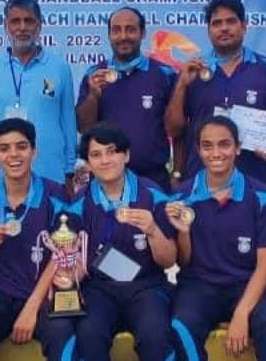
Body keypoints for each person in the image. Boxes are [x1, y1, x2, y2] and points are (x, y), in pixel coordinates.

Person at [167, 116, 266, 361]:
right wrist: (183, 231)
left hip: (249, 284)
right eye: (207, 146)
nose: (216, 153)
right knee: (180, 328)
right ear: (199, 150)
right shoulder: (182, 196)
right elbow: (183, 262)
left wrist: (242, 314)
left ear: (238, 148)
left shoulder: (263, 197)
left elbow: (265, 265)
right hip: (198, 285)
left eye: (224, 144)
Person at [0, 118, 79, 361]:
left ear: (34, 152)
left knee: (63, 335)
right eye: (4, 149)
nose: (13, 155)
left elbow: (63, 254)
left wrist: (31, 308)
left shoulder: (56, 195)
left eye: (21, 147)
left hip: (46, 292)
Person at [73, 123, 178, 361]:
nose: (105, 160)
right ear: (88, 164)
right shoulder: (79, 203)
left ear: (127, 155)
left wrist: (152, 230)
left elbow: (169, 260)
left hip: (146, 286)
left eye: (112, 151)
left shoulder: (153, 195)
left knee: (155, 335)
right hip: (99, 287)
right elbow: (72, 257)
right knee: (89, 334)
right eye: (96, 155)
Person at [165, 0, 266, 187]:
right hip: (200, 179)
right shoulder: (193, 70)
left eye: (231, 21)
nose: (224, 28)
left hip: (252, 178)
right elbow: (174, 130)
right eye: (217, 23)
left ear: (244, 26)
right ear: (209, 30)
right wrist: (182, 85)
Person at [0, 0, 77, 186]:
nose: (22, 28)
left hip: (50, 174)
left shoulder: (59, 67)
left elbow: (68, 121)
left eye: (28, 21)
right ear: (6, 26)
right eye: (15, 21)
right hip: (0, 176)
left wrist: (69, 170)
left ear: (39, 26)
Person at [76, 7, 177, 189]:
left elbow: (178, 129)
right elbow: (84, 127)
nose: (123, 36)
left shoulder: (165, 75)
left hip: (153, 180)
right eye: (116, 30)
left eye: (130, 29)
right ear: (109, 35)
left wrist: (178, 172)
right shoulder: (95, 75)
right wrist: (93, 96)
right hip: (105, 181)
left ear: (142, 32)